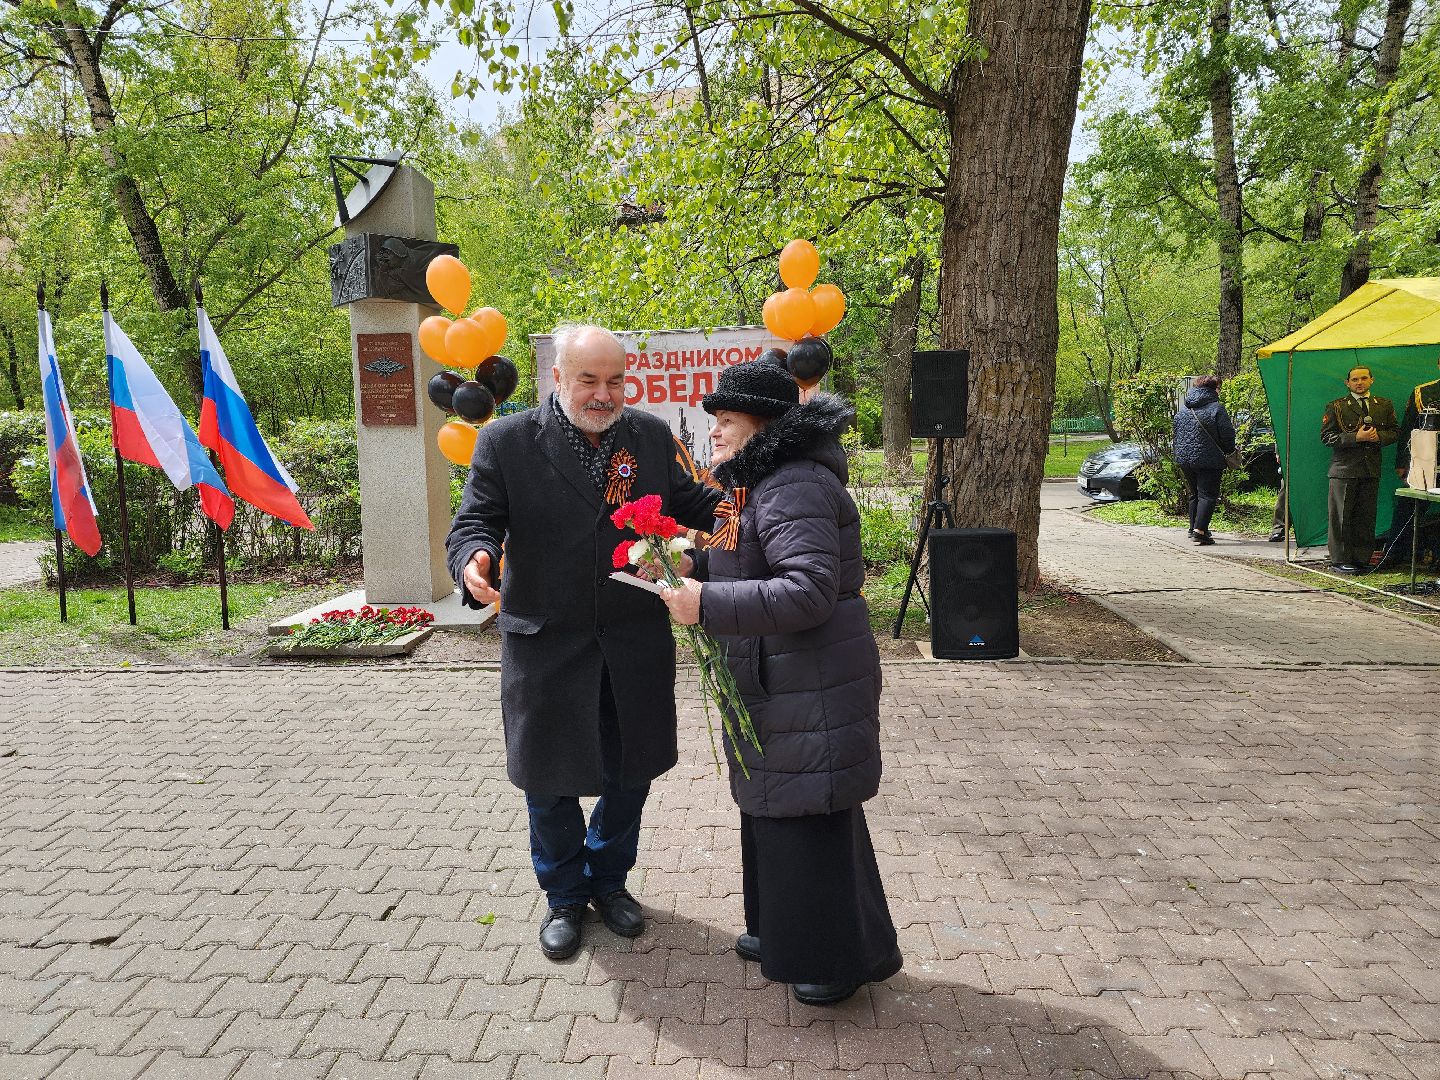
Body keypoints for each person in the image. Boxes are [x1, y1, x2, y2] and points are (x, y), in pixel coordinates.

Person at [446, 323, 721, 960]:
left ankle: (609, 882)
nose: (604, 394)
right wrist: (474, 557)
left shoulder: (649, 436)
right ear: (559, 379)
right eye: (589, 381)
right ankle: (564, 895)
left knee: (632, 774)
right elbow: (476, 519)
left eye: (616, 381)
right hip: (547, 642)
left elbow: (695, 502)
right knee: (549, 781)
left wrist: (764, 494)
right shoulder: (507, 441)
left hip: (633, 640)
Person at [657, 360, 900, 1007]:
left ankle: (833, 958)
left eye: (725, 422)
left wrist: (704, 603)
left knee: (808, 812)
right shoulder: (751, 487)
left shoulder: (794, 485)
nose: (714, 435)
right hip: (778, 679)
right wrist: (693, 560)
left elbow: (810, 590)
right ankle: (782, 932)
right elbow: (737, 553)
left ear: (761, 424)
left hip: (809, 680)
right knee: (774, 806)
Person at [1321, 366, 1398, 573]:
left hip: (1370, 468)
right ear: (1347, 383)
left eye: (1364, 378)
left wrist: (1379, 437)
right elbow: (1327, 437)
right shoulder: (1336, 406)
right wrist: (1356, 438)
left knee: (1366, 517)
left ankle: (1362, 558)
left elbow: (1395, 431)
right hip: (1344, 470)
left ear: (1371, 380)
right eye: (1354, 379)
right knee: (1342, 517)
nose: (1359, 382)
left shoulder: (1383, 405)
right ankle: (1340, 559)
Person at [1171, 375, 1236, 546]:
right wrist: (1229, 451)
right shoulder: (1217, 408)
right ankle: (1200, 532)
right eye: (1219, 389)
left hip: (1185, 459)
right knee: (1208, 495)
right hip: (1209, 459)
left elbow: (1176, 435)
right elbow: (1227, 434)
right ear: (1214, 389)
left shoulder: (1183, 410)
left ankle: (1193, 528)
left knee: (1195, 494)